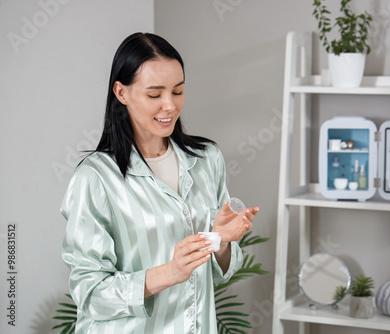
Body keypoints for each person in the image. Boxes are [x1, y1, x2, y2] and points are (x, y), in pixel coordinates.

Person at [60, 32, 259, 334]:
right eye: (155, 94)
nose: (170, 106)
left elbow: (219, 274)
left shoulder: (207, 160)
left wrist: (221, 241)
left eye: (178, 92)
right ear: (121, 92)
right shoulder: (96, 177)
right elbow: (90, 294)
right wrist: (169, 272)